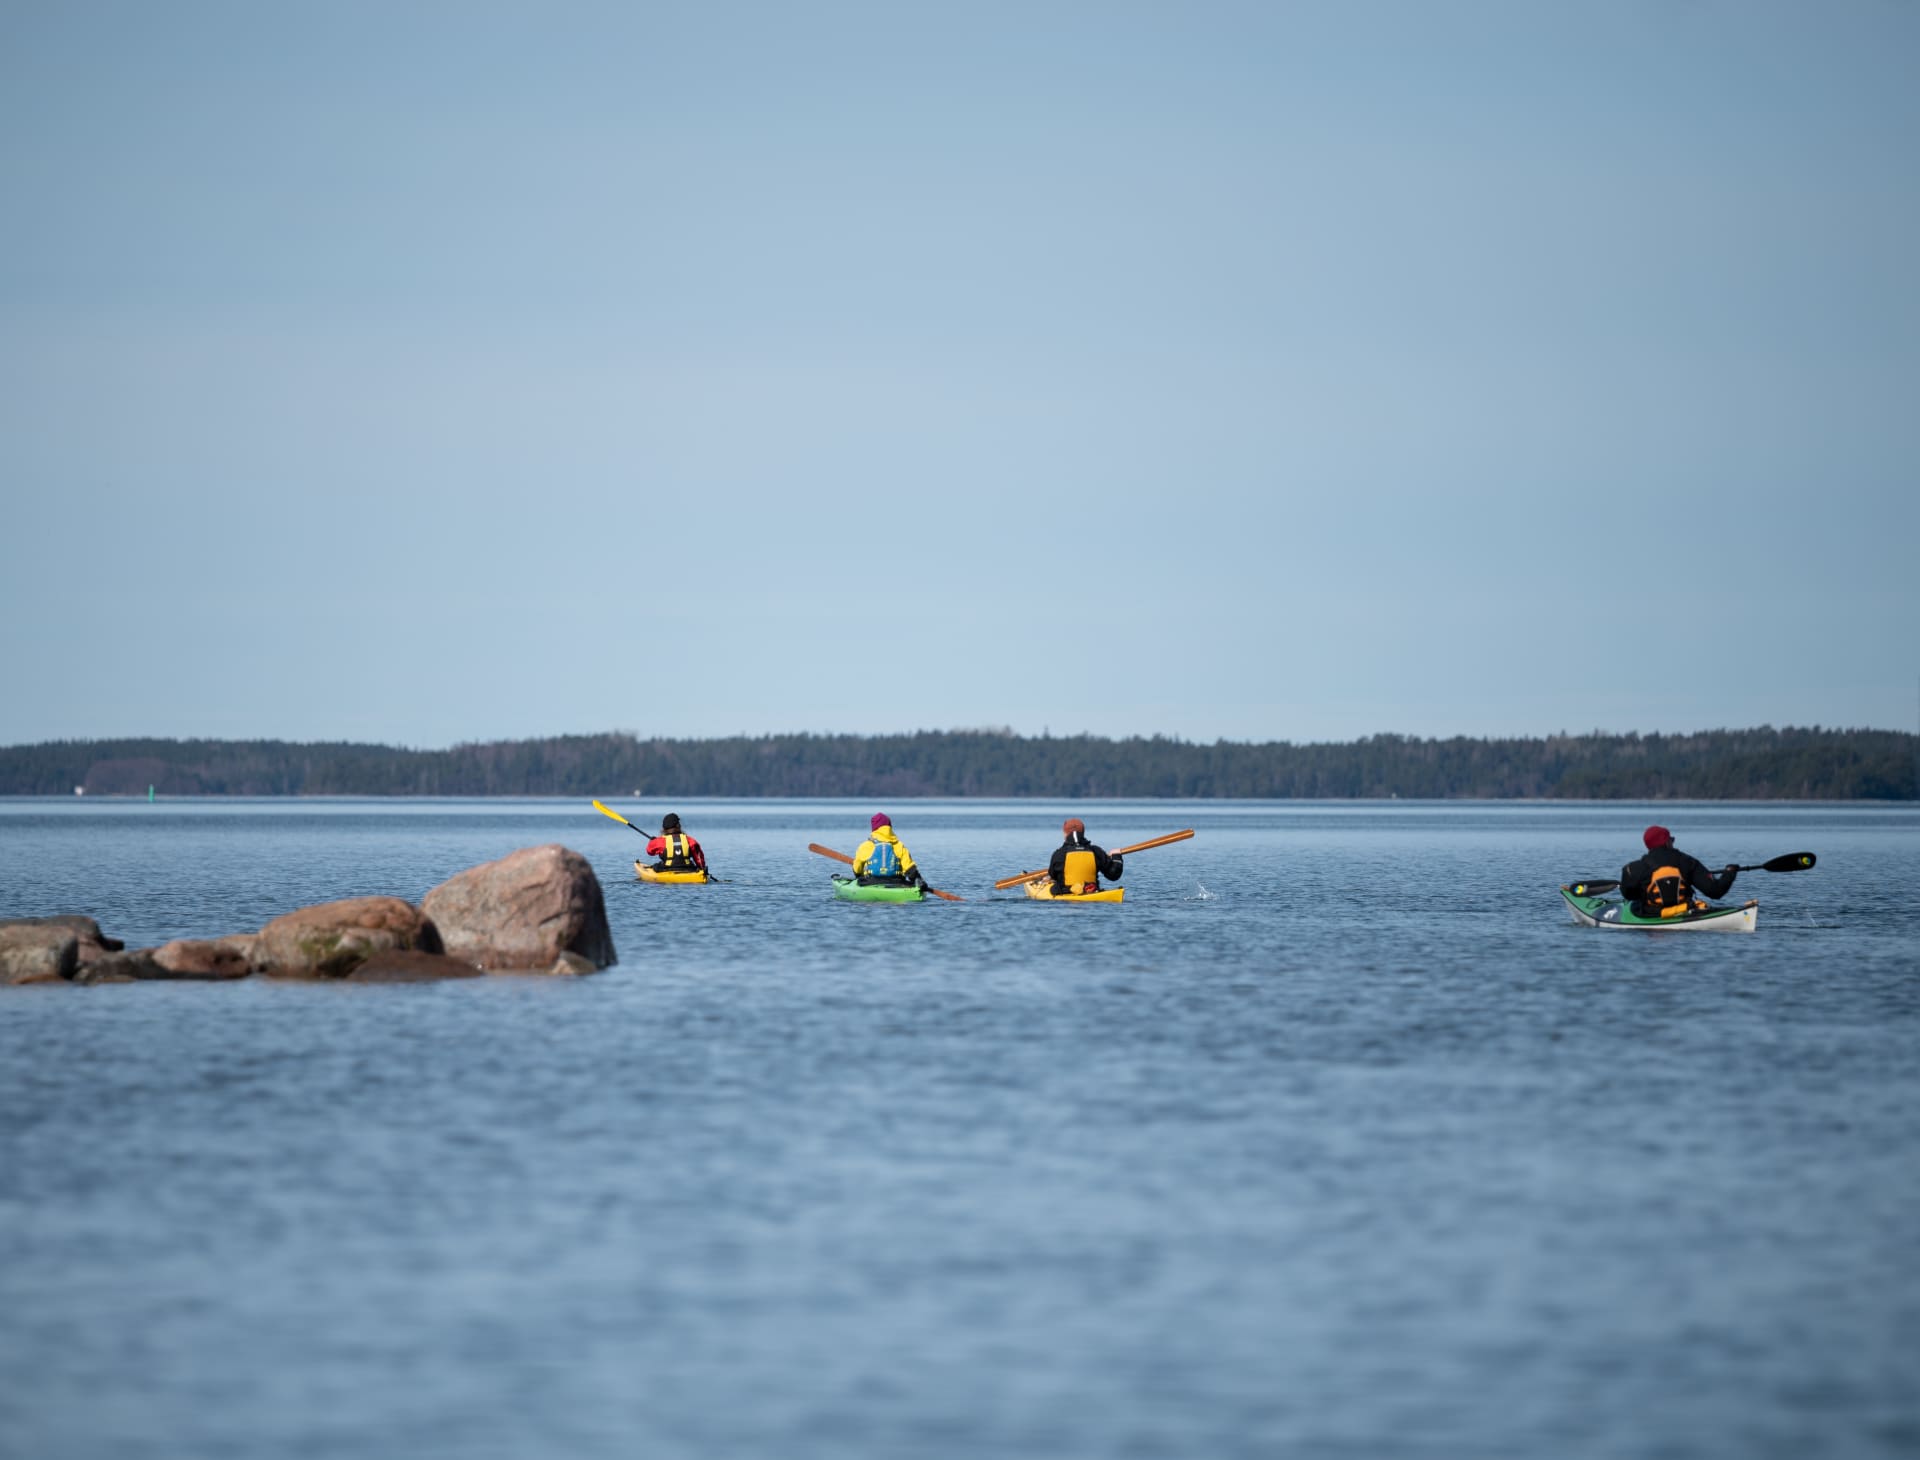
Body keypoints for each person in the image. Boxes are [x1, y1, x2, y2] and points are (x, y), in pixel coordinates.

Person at [1619, 825, 1736, 918]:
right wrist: (1729, 872)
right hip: (1684, 910)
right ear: (1666, 842)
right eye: (1671, 839)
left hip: (1651, 915)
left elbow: (1629, 895)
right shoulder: (1688, 862)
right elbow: (1715, 891)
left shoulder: (1632, 868)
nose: (1673, 842)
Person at [1049, 817, 1124, 895]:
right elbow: (1114, 875)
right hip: (1091, 891)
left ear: (1065, 834)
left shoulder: (1059, 854)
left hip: (1066, 893)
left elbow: (1052, 875)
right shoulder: (1096, 851)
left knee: (1053, 887)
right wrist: (1116, 857)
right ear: (1083, 833)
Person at [852, 812, 925, 888]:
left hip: (871, 882)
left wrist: (859, 877)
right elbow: (910, 869)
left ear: (874, 829)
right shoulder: (899, 845)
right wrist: (919, 881)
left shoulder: (865, 846)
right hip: (897, 883)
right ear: (889, 827)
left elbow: (857, 868)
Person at [645, 812, 709, 876]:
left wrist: (653, 841)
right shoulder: (690, 840)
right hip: (688, 869)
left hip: (665, 869)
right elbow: (699, 858)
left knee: (655, 866)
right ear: (678, 826)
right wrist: (702, 869)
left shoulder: (659, 841)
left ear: (664, 828)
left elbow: (650, 851)